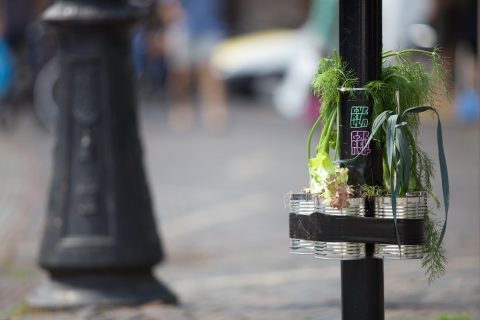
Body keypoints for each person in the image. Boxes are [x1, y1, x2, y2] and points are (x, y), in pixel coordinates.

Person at [160, 0, 228, 132]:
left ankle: (214, 110)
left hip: (209, 25)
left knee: (212, 72)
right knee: (180, 72)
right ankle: (180, 107)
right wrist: (169, 14)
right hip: (181, 26)